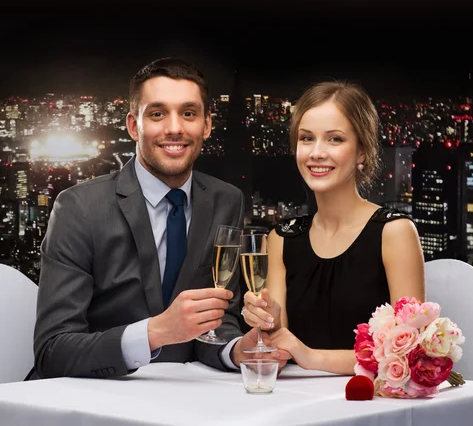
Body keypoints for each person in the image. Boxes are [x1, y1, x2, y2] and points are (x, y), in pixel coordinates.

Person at [34, 57, 271, 378]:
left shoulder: (226, 199)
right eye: (158, 114)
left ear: (207, 125)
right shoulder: (78, 207)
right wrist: (154, 333)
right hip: (96, 398)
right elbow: (53, 350)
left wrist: (235, 350)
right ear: (134, 125)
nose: (174, 128)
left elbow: (219, 318)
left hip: (187, 396)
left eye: (188, 113)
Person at [241, 80, 425, 374]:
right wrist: (268, 321)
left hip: (371, 406)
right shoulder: (281, 238)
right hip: (297, 405)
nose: (316, 152)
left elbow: (408, 354)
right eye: (306, 138)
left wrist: (310, 356)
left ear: (362, 152)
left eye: (335, 139)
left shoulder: (395, 232)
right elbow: (279, 345)